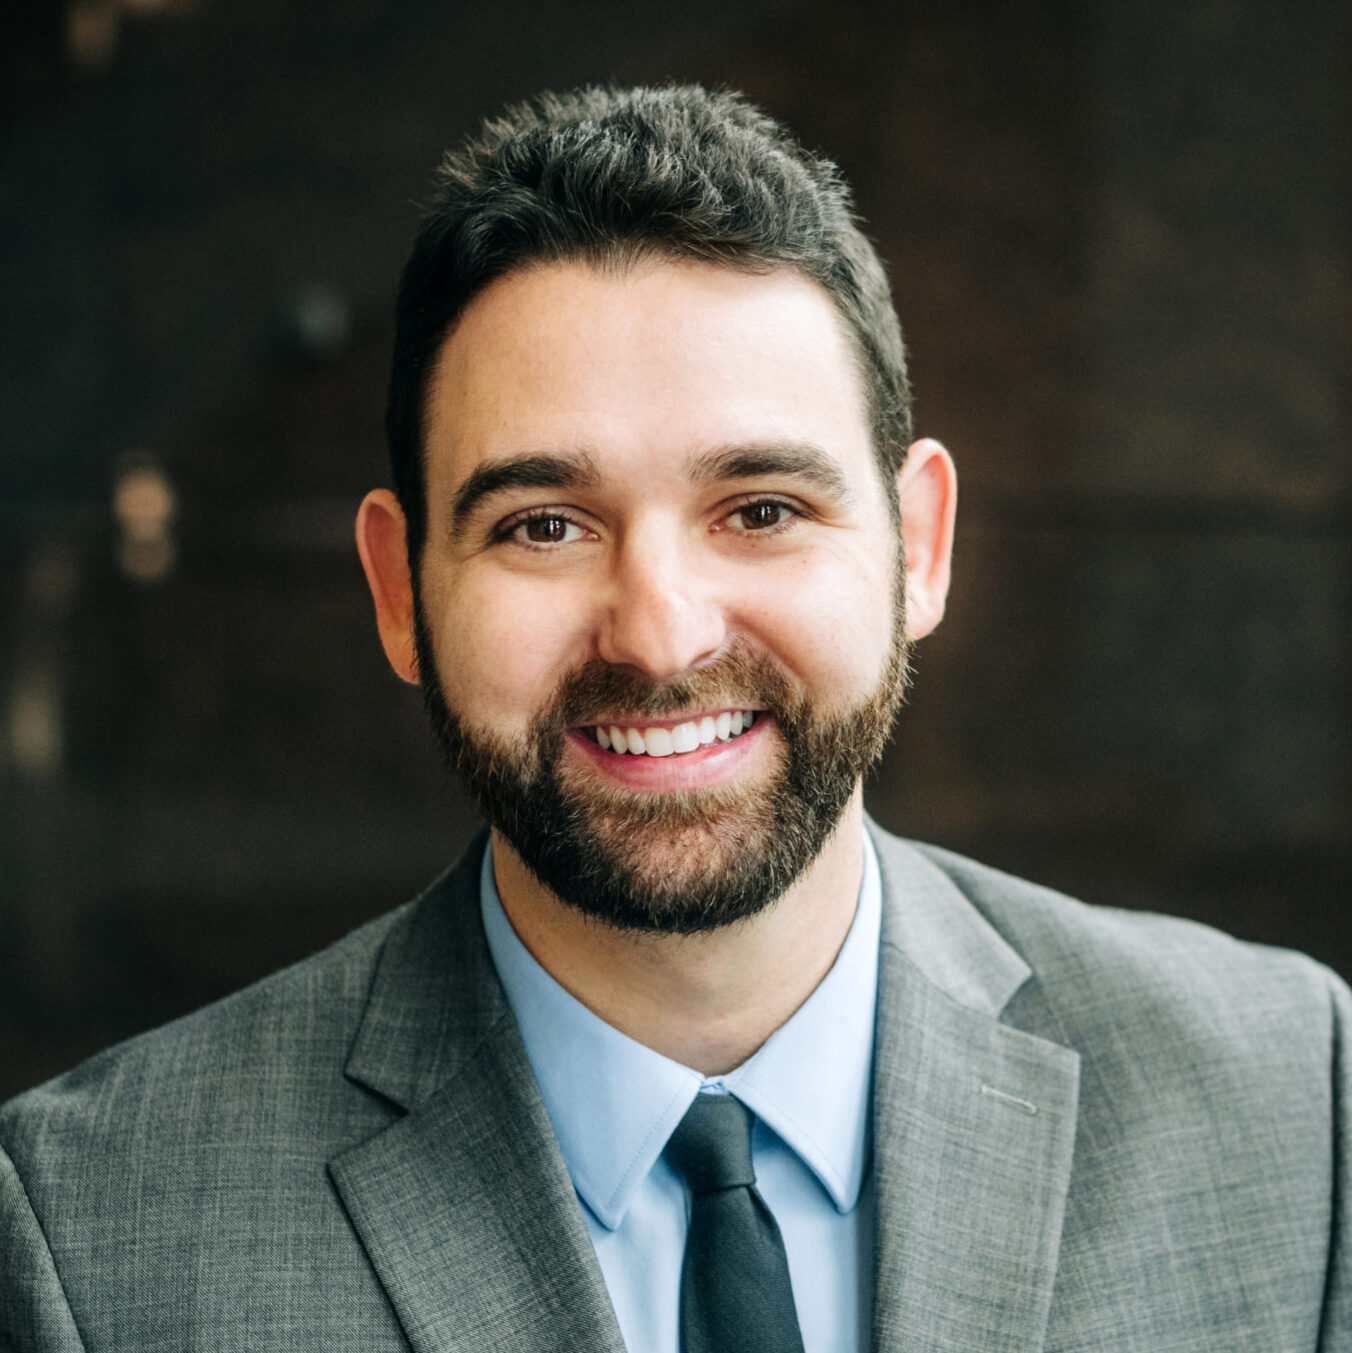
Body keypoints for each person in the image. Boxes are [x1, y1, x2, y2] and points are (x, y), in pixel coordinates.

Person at [1, 84, 1347, 1353]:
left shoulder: (1298, 1102)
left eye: (760, 509)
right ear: (400, 592)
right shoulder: (89, 1239)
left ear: (921, 547)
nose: (660, 635)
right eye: (543, 524)